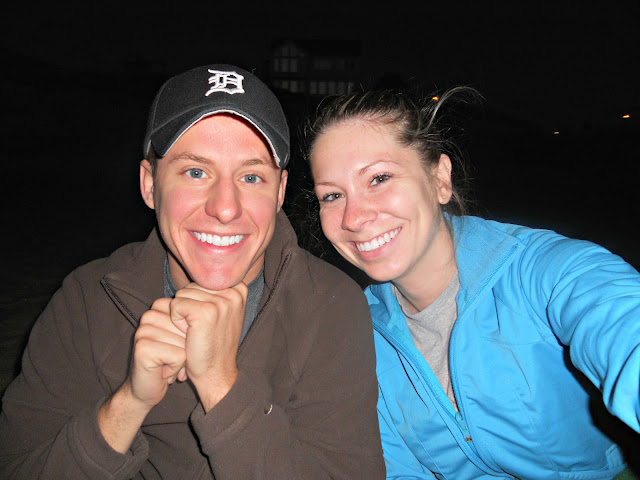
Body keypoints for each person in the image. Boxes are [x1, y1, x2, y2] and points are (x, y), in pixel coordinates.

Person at [0, 64, 385, 479]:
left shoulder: (331, 306)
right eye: (196, 172)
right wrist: (128, 404)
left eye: (251, 176)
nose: (225, 208)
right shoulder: (88, 299)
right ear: (150, 184)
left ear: (280, 192)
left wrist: (222, 386)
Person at [306, 87, 640, 479]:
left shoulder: (544, 272)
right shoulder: (352, 335)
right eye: (332, 196)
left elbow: (620, 322)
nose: (354, 218)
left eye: (379, 178)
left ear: (439, 179)